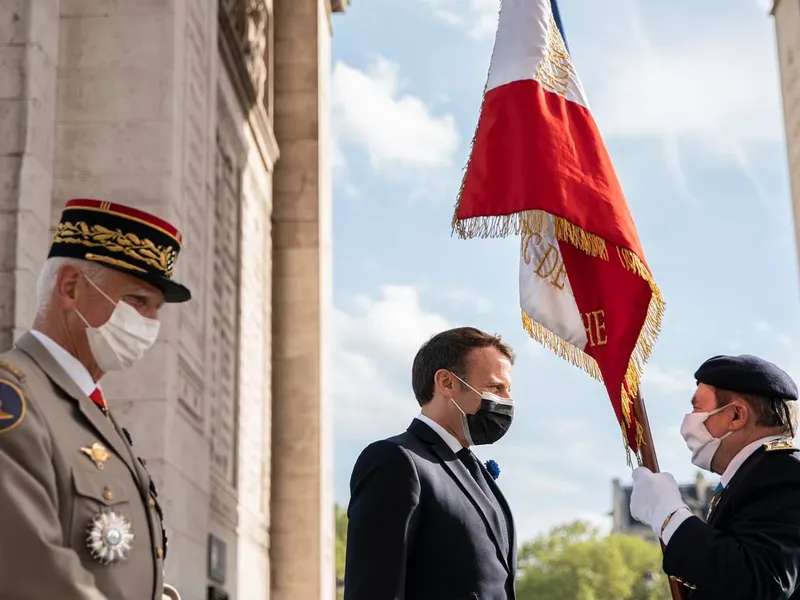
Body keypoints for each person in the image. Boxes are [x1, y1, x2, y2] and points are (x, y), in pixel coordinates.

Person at [0, 199, 190, 600]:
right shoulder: (12, 399)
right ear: (70, 287)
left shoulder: (92, 415)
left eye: (156, 309)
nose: (150, 324)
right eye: (138, 301)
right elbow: (32, 573)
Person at [344, 327, 518, 600]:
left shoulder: (476, 473)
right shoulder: (397, 460)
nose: (506, 400)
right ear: (446, 382)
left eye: (507, 389)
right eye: (494, 387)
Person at [629, 354, 800, 599]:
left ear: (736, 416)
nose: (688, 420)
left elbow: (762, 582)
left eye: (697, 407)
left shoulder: (783, 471)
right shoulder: (751, 475)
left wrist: (669, 516)